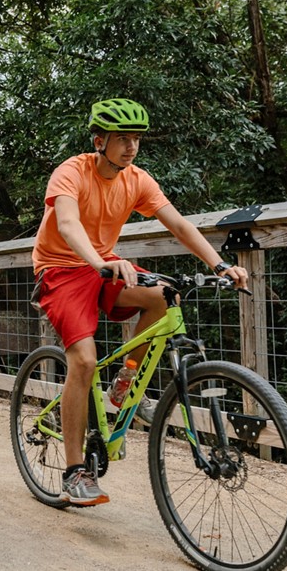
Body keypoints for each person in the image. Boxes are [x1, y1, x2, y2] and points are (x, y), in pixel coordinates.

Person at [32, 98, 249, 507]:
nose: (131, 146)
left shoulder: (137, 179)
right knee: (82, 360)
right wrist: (99, 262)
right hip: (61, 268)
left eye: (136, 138)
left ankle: (125, 384)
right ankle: (75, 470)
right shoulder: (71, 172)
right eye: (122, 139)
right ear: (100, 140)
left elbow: (180, 224)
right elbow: (66, 223)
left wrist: (220, 263)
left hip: (106, 264)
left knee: (164, 296)